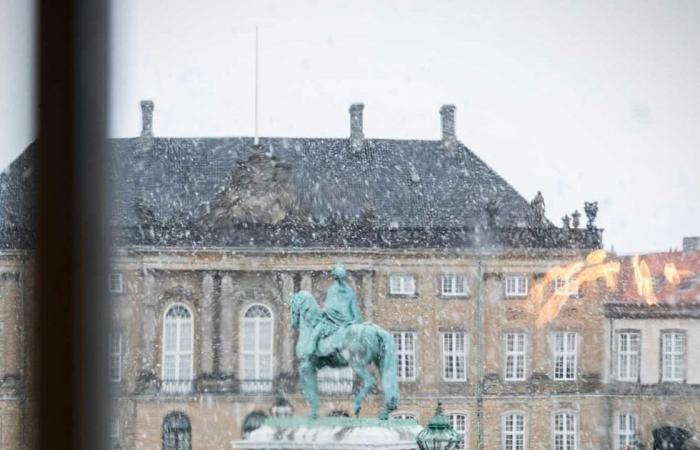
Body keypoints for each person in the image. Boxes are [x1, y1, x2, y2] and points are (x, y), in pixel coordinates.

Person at [311, 265, 363, 357]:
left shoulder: (332, 290)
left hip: (335, 322)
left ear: (335, 278)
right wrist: (355, 321)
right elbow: (355, 309)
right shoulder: (349, 290)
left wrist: (322, 312)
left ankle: (313, 352)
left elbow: (330, 308)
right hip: (349, 321)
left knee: (315, 332)